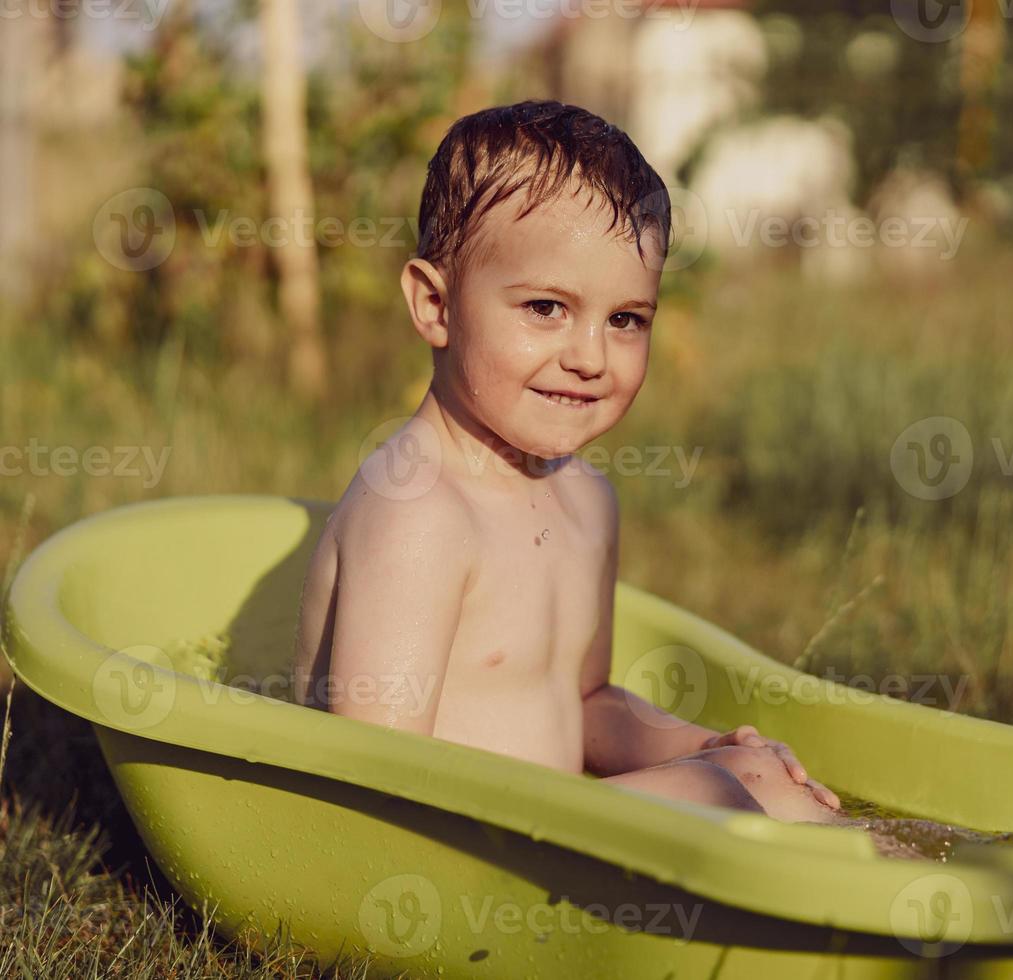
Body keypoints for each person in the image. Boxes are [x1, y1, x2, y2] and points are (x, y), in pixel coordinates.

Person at [291, 100, 844, 826]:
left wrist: (705, 745)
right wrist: (707, 786)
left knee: (756, 777)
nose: (588, 358)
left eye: (625, 320)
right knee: (727, 796)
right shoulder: (417, 512)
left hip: (534, 839)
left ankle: (901, 894)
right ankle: (875, 915)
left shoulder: (585, 502)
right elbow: (379, 780)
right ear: (435, 305)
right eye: (546, 308)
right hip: (428, 854)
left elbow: (582, 704)